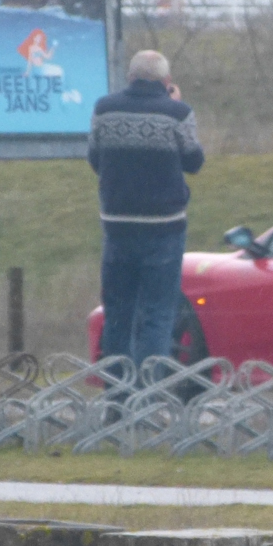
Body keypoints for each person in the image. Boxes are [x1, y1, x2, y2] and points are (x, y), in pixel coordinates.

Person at [88, 49, 204, 370]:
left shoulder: (104, 109)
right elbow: (194, 161)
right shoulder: (178, 113)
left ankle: (118, 391)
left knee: (117, 314)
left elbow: (96, 159)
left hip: (117, 227)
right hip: (164, 227)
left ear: (130, 77)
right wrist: (175, 102)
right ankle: (149, 392)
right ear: (167, 81)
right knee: (158, 314)